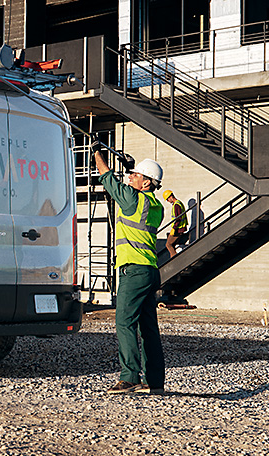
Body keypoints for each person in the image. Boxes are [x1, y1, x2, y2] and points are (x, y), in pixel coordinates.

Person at [93, 145, 166, 395]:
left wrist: (97, 153)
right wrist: (129, 166)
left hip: (133, 271)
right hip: (150, 271)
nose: (130, 177)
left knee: (124, 322)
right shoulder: (155, 205)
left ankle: (130, 377)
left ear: (147, 183)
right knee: (148, 328)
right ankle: (154, 381)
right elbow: (128, 185)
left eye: (136, 175)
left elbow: (106, 178)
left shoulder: (132, 198)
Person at [161, 190, 188, 258]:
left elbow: (178, 219)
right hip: (180, 229)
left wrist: (174, 228)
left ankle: (174, 258)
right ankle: (173, 257)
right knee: (172, 245)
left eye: (167, 199)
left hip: (178, 229)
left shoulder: (176, 205)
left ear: (170, 196)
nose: (167, 201)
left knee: (168, 244)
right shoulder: (179, 203)